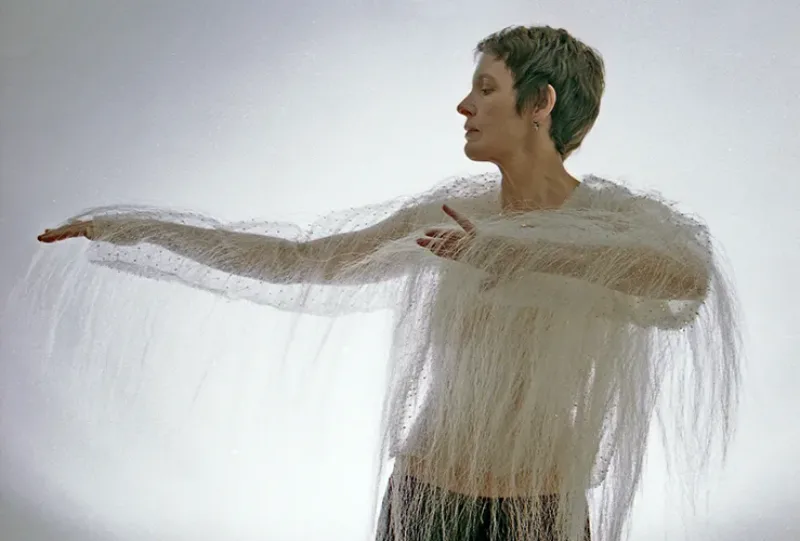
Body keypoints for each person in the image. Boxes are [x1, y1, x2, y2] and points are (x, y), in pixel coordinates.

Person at [37, 25, 740, 541]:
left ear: (541, 103)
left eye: (485, 88)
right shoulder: (449, 217)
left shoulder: (618, 223)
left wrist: (523, 255)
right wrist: (131, 228)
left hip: (544, 514)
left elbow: (685, 282)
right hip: (426, 503)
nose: (464, 107)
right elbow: (302, 261)